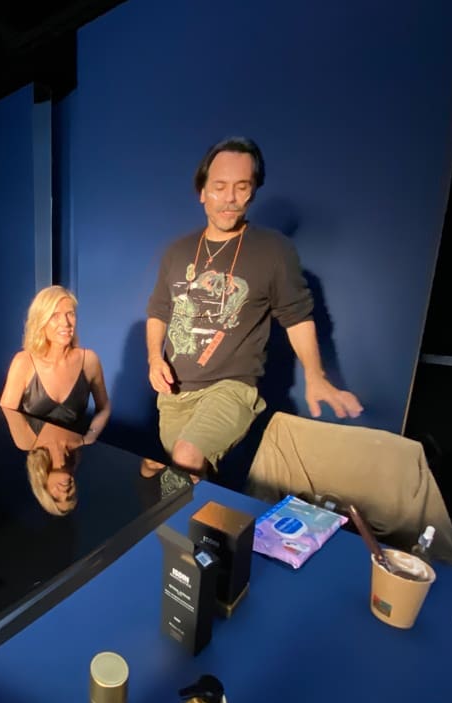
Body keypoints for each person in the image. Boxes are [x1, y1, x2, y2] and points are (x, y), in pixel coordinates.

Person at [146, 137, 362, 477]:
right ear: (202, 191)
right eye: (219, 187)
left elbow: (297, 316)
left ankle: (178, 508)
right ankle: (183, 513)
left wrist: (315, 375)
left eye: (242, 187)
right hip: (175, 390)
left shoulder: (274, 250)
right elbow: (160, 311)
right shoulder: (177, 251)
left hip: (231, 387)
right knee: (184, 475)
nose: (230, 198)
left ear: (253, 192)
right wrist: (154, 358)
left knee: (186, 457)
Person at [0, 285, 110, 441]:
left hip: (73, 452)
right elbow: (6, 416)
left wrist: (89, 438)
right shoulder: (23, 363)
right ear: (41, 321)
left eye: (70, 314)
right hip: (36, 454)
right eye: (55, 316)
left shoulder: (89, 361)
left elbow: (104, 407)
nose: (65, 323)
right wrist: (29, 445)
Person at [2, 407, 84, 516]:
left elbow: (8, 405)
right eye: (69, 497)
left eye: (56, 498)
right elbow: (102, 406)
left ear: (43, 487)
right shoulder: (82, 439)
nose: (65, 494)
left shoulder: (25, 441)